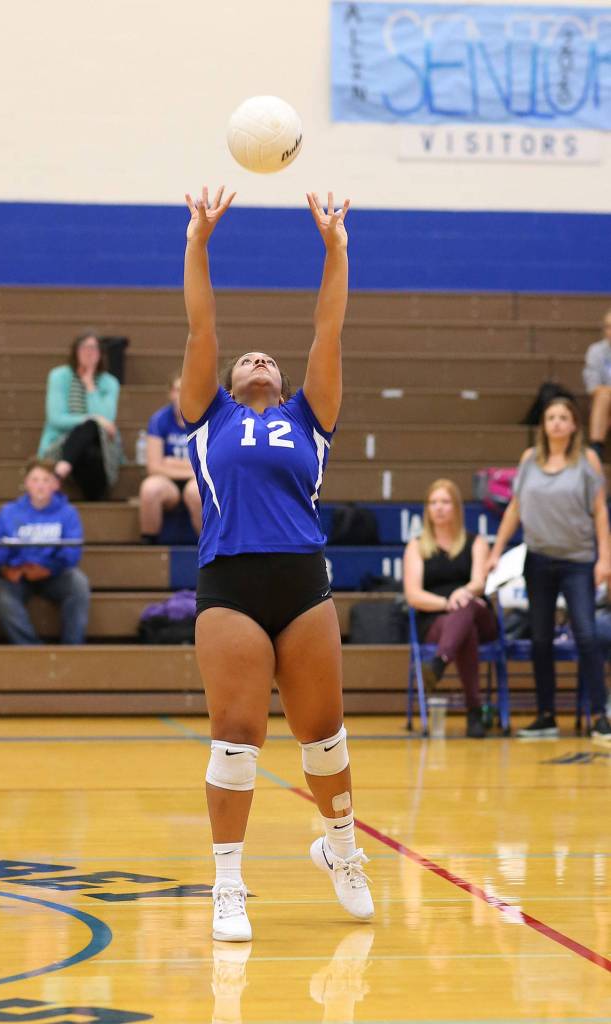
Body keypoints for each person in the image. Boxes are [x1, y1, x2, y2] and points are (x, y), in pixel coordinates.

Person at [180, 184, 373, 942]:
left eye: (268, 358)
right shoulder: (210, 419)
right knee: (235, 738)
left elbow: (327, 331)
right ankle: (228, 884)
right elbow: (202, 328)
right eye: (246, 359)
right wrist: (198, 243)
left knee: (323, 736)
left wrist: (335, 250)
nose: (257, 358)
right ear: (229, 383)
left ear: (282, 383)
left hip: (300, 580)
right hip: (229, 582)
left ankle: (344, 851)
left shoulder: (307, 419)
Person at [488, 397, 611, 740]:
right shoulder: (530, 460)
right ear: (543, 425)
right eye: (551, 417)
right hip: (539, 559)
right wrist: (496, 550)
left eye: (563, 417)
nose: (556, 422)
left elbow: (600, 510)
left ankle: (601, 715)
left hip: (578, 560)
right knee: (540, 638)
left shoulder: (587, 460)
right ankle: (546, 716)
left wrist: (605, 557)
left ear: (574, 425)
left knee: (586, 634)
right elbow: (515, 508)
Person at [403, 478, 496, 738]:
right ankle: (474, 711)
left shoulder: (475, 542)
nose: (439, 508)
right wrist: (447, 602)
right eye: (433, 503)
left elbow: (479, 582)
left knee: (467, 607)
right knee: (464, 628)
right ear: (427, 509)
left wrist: (463, 593)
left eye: (445, 502)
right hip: (436, 621)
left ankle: (439, 663)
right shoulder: (416, 547)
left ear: (456, 507)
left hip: (479, 615)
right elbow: (414, 595)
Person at [0, 458, 90, 645]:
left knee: (78, 582)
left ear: (55, 484)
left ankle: (73, 648)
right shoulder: (9, 512)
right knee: (0, 589)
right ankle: (31, 649)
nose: (40, 485)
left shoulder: (68, 513)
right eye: (35, 479)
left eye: (46, 480)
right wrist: (6, 569)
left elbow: (72, 552)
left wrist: (49, 568)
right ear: (26, 483)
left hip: (54, 574)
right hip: (18, 575)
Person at [38, 331, 122, 500]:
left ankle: (62, 470)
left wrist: (90, 385)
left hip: (102, 446)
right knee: (90, 434)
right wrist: (94, 419)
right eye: (84, 347)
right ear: (75, 351)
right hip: (61, 443)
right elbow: (55, 418)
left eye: (94, 348)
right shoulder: (59, 376)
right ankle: (94, 496)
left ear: (101, 354)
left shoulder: (110, 382)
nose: (89, 352)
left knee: (91, 437)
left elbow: (107, 421)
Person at [139, 374, 202, 542]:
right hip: (168, 482)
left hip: (197, 480)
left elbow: (210, 466)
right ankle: (149, 546)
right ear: (171, 393)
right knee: (150, 488)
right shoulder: (160, 419)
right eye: (178, 389)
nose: (182, 394)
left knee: (195, 492)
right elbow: (153, 467)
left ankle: (211, 548)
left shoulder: (206, 420)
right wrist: (191, 467)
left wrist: (171, 463)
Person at [583, 307, 611, 461]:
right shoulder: (596, 351)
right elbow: (593, 387)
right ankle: (596, 449)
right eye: (608, 326)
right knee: (602, 396)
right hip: (604, 401)